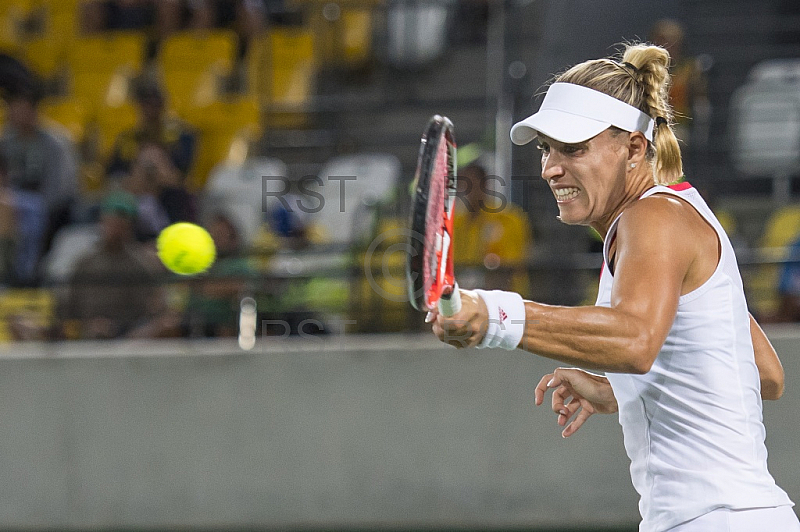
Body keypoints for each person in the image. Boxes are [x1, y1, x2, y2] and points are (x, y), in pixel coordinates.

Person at [429, 43, 799, 532]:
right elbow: (765, 375)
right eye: (546, 148)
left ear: (634, 148)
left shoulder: (653, 218)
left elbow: (635, 339)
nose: (550, 168)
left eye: (574, 148)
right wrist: (621, 391)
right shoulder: (676, 215)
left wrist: (494, 315)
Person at [61, 191, 179, 339]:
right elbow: (67, 307)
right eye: (112, 222)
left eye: (122, 223)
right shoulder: (86, 263)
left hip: (132, 334)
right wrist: (88, 324)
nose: (116, 229)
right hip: (89, 332)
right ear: (102, 222)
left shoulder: (143, 264)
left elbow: (157, 307)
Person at [0, 73, 78, 286]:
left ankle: (25, 276)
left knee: (29, 210)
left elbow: (60, 190)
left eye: (17, 106)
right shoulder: (6, 141)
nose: (10, 112)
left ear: (32, 109)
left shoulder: (54, 143)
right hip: (11, 205)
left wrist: (22, 204)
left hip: (49, 209)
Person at [453, 163, 531, 293]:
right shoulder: (456, 224)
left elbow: (514, 263)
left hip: (506, 297)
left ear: (485, 185)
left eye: (472, 184)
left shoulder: (508, 219)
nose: (468, 191)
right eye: (463, 185)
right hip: (466, 297)